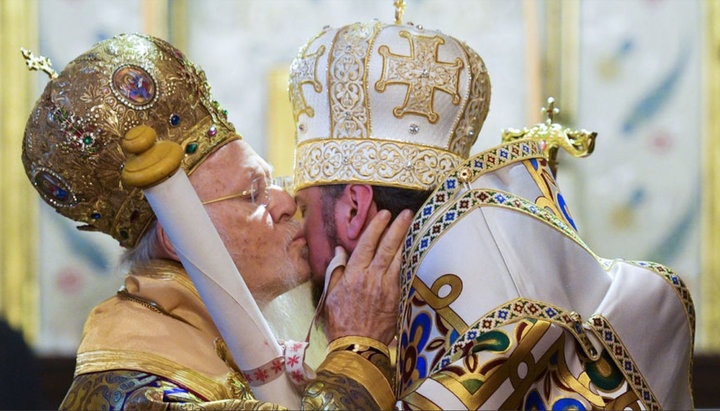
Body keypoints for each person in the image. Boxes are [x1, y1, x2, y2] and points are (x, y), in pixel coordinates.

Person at [290, 19, 695, 410]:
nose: (296, 230)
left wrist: (355, 350)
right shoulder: (521, 273)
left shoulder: (497, 336)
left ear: (355, 209)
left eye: (303, 210)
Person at [22, 33, 409, 410]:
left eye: (273, 183)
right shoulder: (145, 388)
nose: (286, 202)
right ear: (179, 236)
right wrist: (358, 346)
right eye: (254, 194)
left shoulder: (211, 340)